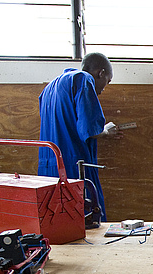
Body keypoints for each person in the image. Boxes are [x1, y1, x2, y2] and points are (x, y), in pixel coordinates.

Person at [38, 52, 118, 221]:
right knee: (86, 221)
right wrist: (105, 131)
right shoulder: (83, 80)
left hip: (47, 168)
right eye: (107, 81)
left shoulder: (48, 89)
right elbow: (90, 129)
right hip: (73, 166)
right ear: (101, 73)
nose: (104, 89)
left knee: (56, 221)